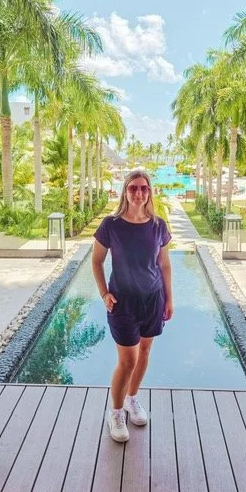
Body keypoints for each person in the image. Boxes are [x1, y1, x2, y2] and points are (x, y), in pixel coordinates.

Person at [92, 170, 173, 443]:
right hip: (123, 302)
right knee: (128, 360)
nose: (139, 193)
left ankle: (132, 399)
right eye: (133, 188)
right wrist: (104, 293)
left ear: (149, 192)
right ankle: (115, 413)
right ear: (124, 191)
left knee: (146, 351)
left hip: (152, 299)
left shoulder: (158, 226)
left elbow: (164, 265)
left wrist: (169, 299)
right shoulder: (111, 225)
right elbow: (96, 261)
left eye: (143, 188)